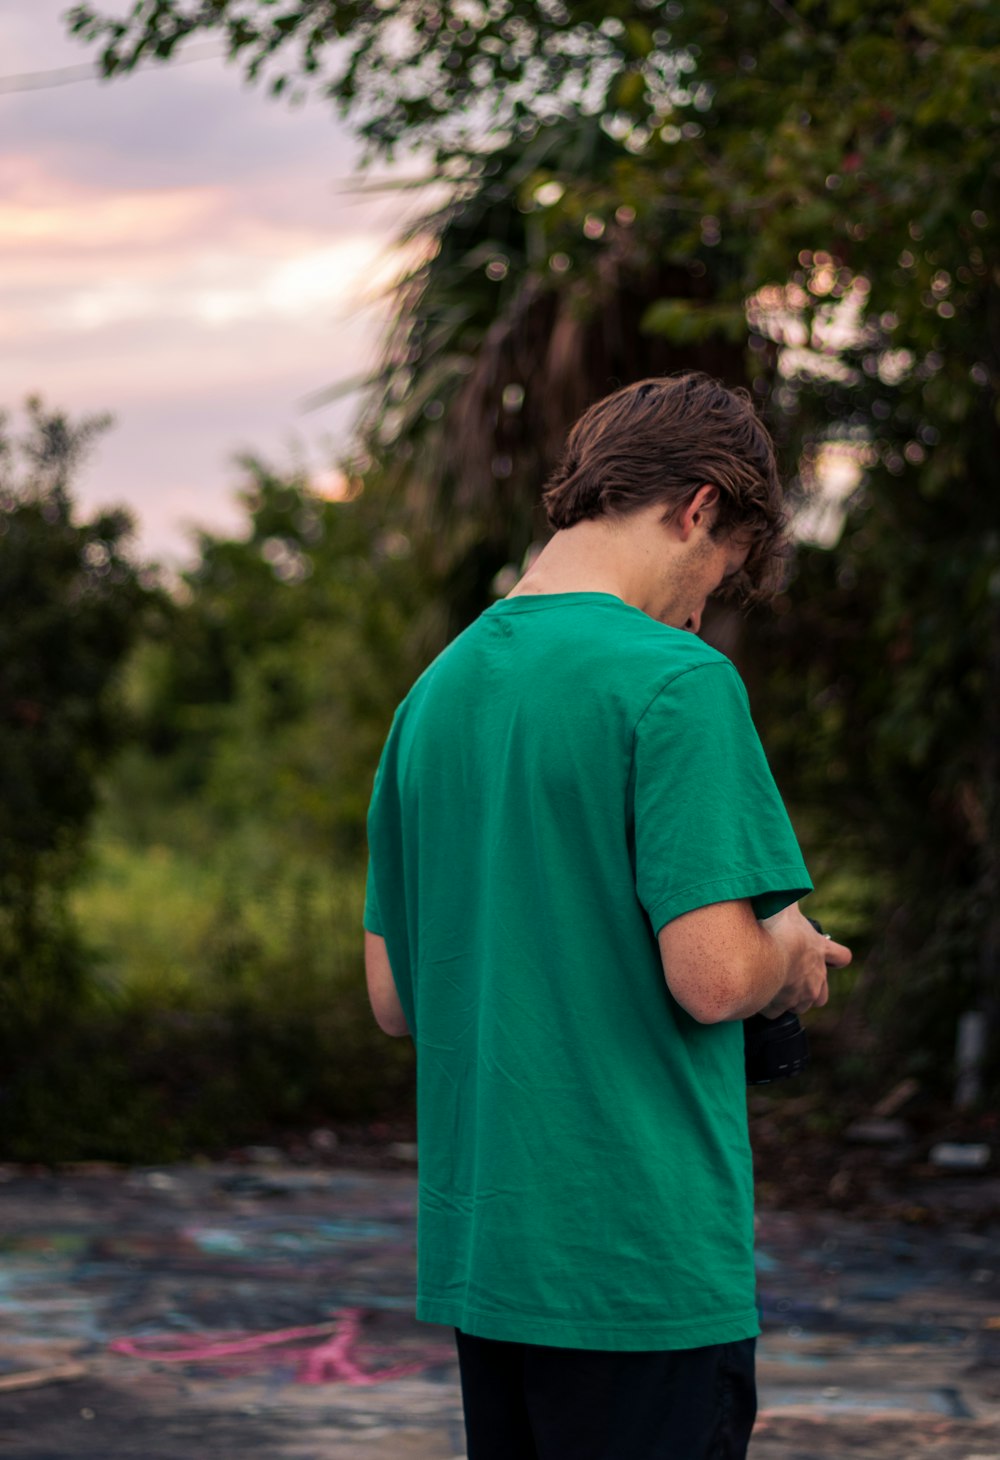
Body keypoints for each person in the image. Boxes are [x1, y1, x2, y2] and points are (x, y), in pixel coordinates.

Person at [362, 372, 852, 1460]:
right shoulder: (676, 680)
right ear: (699, 507)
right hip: (639, 1261)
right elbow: (717, 974)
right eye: (715, 573)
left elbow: (396, 996)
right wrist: (792, 951)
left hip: (492, 1262)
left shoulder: (432, 696)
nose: (697, 606)